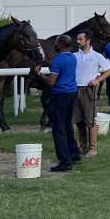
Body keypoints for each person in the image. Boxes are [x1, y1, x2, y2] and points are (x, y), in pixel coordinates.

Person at [42, 34, 82, 172]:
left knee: (58, 128)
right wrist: (46, 62)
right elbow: (60, 67)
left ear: (59, 45)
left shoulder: (58, 60)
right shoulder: (72, 57)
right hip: (72, 93)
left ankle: (65, 161)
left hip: (60, 95)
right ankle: (74, 152)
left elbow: (51, 82)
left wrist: (38, 73)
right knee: (67, 125)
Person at [72, 30, 110, 157]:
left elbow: (109, 70)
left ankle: (93, 148)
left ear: (87, 41)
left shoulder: (96, 56)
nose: (77, 41)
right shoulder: (74, 56)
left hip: (88, 90)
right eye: (77, 39)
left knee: (90, 119)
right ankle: (83, 147)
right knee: (79, 120)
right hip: (75, 89)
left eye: (80, 39)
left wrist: (97, 80)